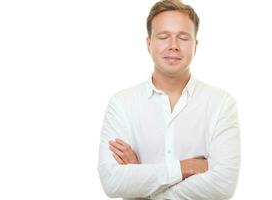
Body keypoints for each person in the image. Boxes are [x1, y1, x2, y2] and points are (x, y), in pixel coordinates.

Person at [97, 0, 241, 199]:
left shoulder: (221, 103)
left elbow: (223, 185)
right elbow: (112, 182)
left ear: (195, 45)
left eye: (183, 37)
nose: (173, 46)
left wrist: (142, 186)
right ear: (149, 43)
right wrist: (185, 167)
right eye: (164, 36)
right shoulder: (122, 104)